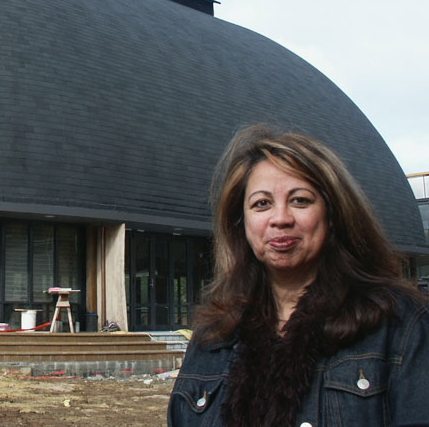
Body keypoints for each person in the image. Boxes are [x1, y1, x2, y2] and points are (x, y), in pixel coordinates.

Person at [168, 124, 429, 427]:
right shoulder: (214, 335)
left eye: (300, 200)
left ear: (333, 215)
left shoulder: (400, 324)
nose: (280, 219)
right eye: (262, 204)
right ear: (242, 224)